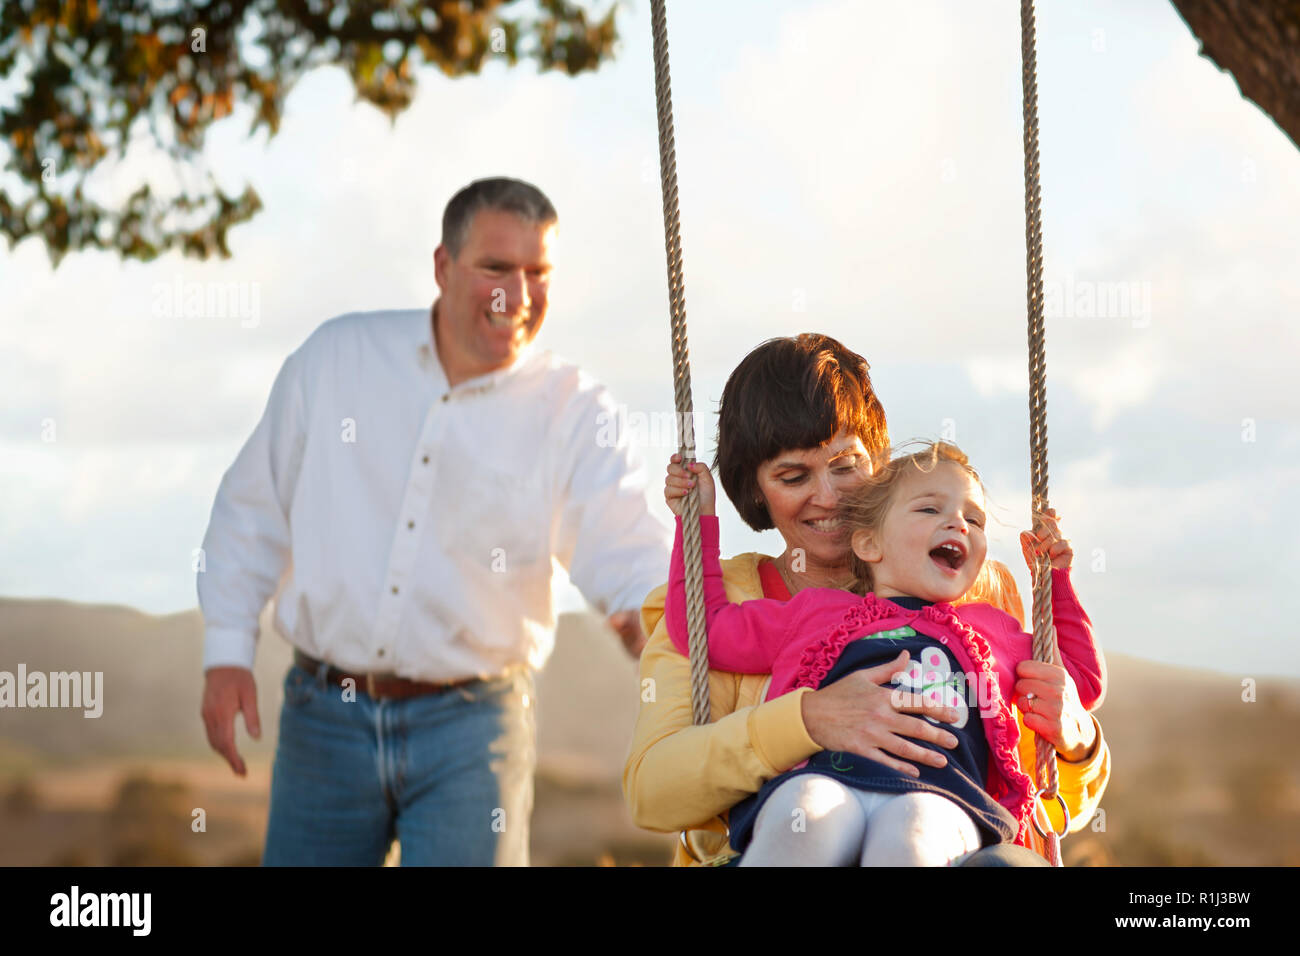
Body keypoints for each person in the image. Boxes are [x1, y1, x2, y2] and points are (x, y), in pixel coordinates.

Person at [198, 177, 672, 866]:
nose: (519, 294)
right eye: (495, 268)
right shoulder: (337, 360)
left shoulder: (575, 409)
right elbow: (252, 508)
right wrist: (225, 650)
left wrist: (657, 621)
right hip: (322, 718)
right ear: (443, 267)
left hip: (474, 729)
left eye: (538, 273)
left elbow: (625, 544)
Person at [622, 334, 1111, 866]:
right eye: (793, 476)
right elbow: (654, 792)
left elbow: (1055, 802)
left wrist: (1075, 734)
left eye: (846, 465)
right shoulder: (721, 604)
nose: (828, 497)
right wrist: (806, 720)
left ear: (879, 465)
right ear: (755, 489)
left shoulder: (979, 600)